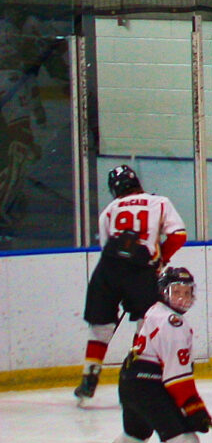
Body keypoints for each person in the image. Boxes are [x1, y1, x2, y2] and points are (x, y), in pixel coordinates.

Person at [92, 266, 212, 443]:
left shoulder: (155, 310)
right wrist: (194, 408)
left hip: (130, 381)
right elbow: (176, 378)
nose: (182, 298)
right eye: (176, 292)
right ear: (163, 292)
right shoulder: (173, 323)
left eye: (187, 292)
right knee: (184, 438)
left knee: (135, 434)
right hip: (149, 386)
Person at [79, 164, 187, 402]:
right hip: (140, 269)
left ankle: (89, 376)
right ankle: (137, 375)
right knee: (146, 322)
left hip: (107, 269)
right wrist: (161, 260)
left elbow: (108, 249)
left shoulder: (109, 211)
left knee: (101, 325)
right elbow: (178, 236)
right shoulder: (159, 202)